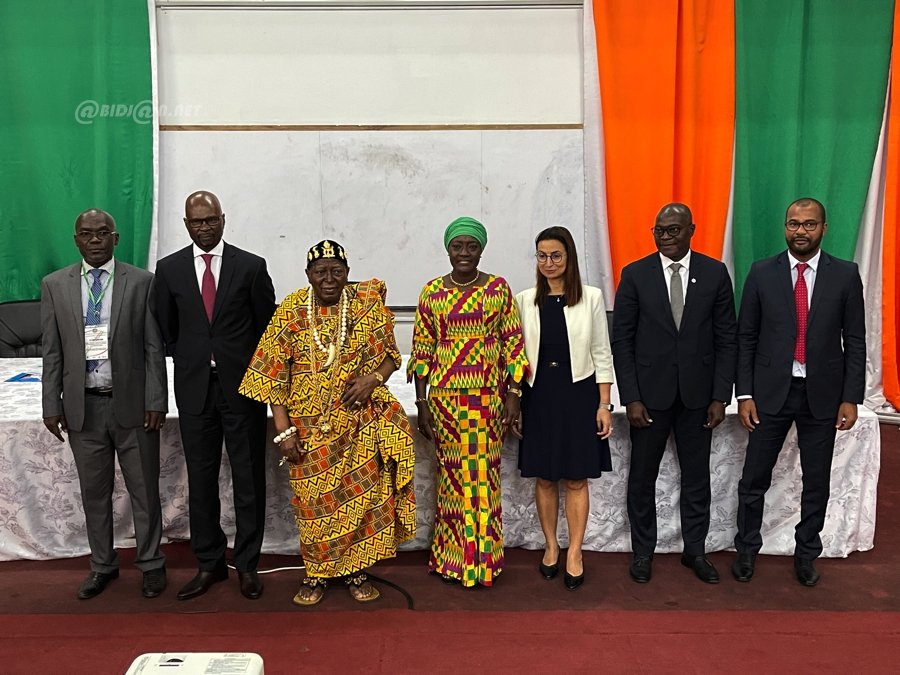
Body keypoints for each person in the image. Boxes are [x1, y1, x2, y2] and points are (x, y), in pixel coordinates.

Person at [239, 240, 415, 606]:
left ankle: (356, 569)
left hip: (359, 425)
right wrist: (284, 431)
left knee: (362, 499)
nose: (329, 279)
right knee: (313, 505)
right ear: (308, 275)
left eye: (337, 271)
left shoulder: (367, 308)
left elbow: (391, 358)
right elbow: (273, 376)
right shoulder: (291, 311)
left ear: (347, 273)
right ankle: (316, 573)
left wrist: (372, 380)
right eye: (321, 272)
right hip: (307, 429)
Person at [732, 197, 866, 587]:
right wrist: (745, 394)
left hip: (822, 396)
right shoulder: (761, 273)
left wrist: (851, 397)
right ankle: (745, 550)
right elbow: (747, 338)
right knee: (754, 478)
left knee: (817, 482)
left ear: (824, 228)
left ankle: (806, 553)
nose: (800, 231)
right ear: (784, 227)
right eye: (793, 224)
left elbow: (854, 340)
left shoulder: (845, 274)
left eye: (809, 224)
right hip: (770, 394)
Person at [153, 191, 275, 600]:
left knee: (248, 479)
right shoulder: (168, 269)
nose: (203, 228)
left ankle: (247, 565)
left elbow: (266, 330)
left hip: (243, 391)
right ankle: (209, 565)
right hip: (194, 391)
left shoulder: (251, 267)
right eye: (195, 222)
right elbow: (168, 330)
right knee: (201, 481)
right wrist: (196, 358)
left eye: (210, 220)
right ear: (185, 224)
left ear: (223, 219)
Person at [41, 208, 167, 599]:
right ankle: (102, 565)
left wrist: (156, 399)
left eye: (102, 233)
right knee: (94, 493)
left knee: (144, 490)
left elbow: (153, 348)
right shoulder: (55, 285)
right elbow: (52, 351)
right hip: (84, 408)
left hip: (131, 405)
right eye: (86, 234)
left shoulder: (142, 282)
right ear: (75, 239)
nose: (94, 240)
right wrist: (51, 403)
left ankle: (150, 564)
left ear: (116, 238)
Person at [611, 202, 737, 584]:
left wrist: (720, 396)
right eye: (659, 231)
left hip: (699, 398)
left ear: (691, 230)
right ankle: (643, 552)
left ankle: (694, 551)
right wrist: (630, 396)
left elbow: (726, 338)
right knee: (642, 477)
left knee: (697, 477)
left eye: (673, 230)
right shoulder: (635, 275)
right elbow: (623, 340)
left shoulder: (715, 274)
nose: (666, 237)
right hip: (648, 398)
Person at [409, 216, 529, 587]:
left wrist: (513, 395)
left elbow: (513, 343)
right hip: (445, 401)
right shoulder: (432, 292)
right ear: (448, 249)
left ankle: (482, 563)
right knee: (452, 480)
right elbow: (422, 349)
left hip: (488, 399)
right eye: (457, 246)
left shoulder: (497, 289)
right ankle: (450, 561)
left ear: (481, 249)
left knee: (483, 480)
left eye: (471, 246)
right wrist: (422, 403)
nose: (464, 253)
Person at [514, 226, 614, 591]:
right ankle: (551, 545)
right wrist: (517, 403)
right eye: (542, 255)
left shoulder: (589, 298)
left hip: (579, 395)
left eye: (555, 255)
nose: (548, 263)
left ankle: (575, 551)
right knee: (544, 476)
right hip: (538, 396)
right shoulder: (525, 300)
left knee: (575, 477)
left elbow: (602, 354)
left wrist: (604, 404)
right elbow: (515, 358)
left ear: (568, 258)